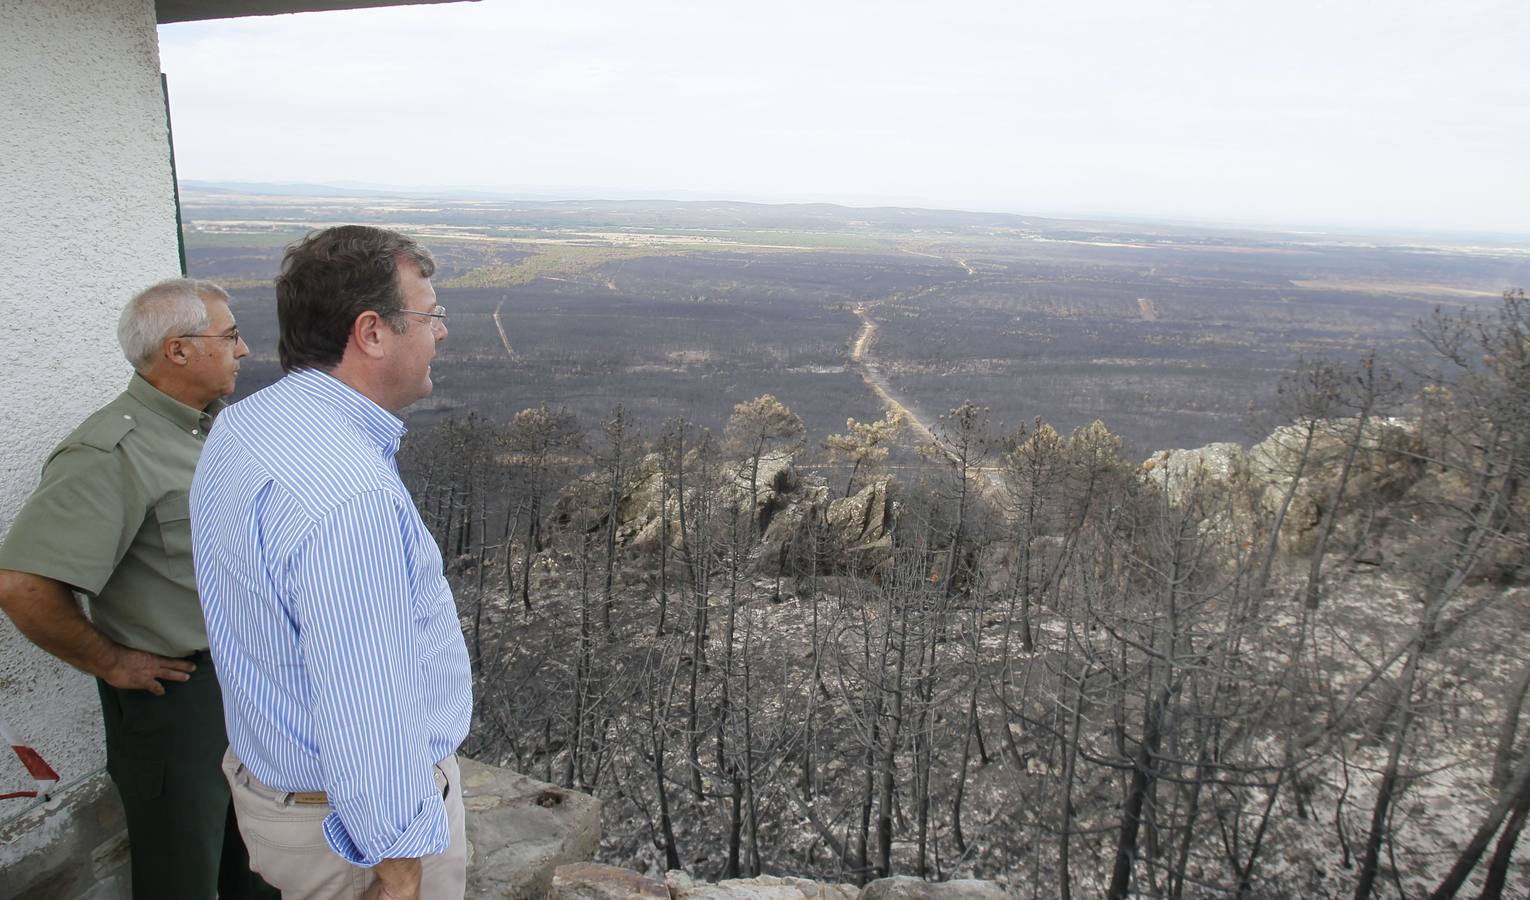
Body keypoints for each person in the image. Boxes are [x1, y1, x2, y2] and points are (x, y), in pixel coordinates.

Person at [190, 225, 473, 900]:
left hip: (281, 796)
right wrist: (400, 869)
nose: (441, 333)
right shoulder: (349, 497)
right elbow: (365, 701)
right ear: (372, 332)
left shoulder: (249, 423)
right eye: (430, 317)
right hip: (354, 837)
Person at [0, 279, 275, 898]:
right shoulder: (110, 451)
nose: (245, 349)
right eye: (229, 336)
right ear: (177, 351)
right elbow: (22, 585)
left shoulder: (209, 433)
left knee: (259, 862)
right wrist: (111, 661)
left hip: (246, 683)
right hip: (180, 703)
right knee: (185, 870)